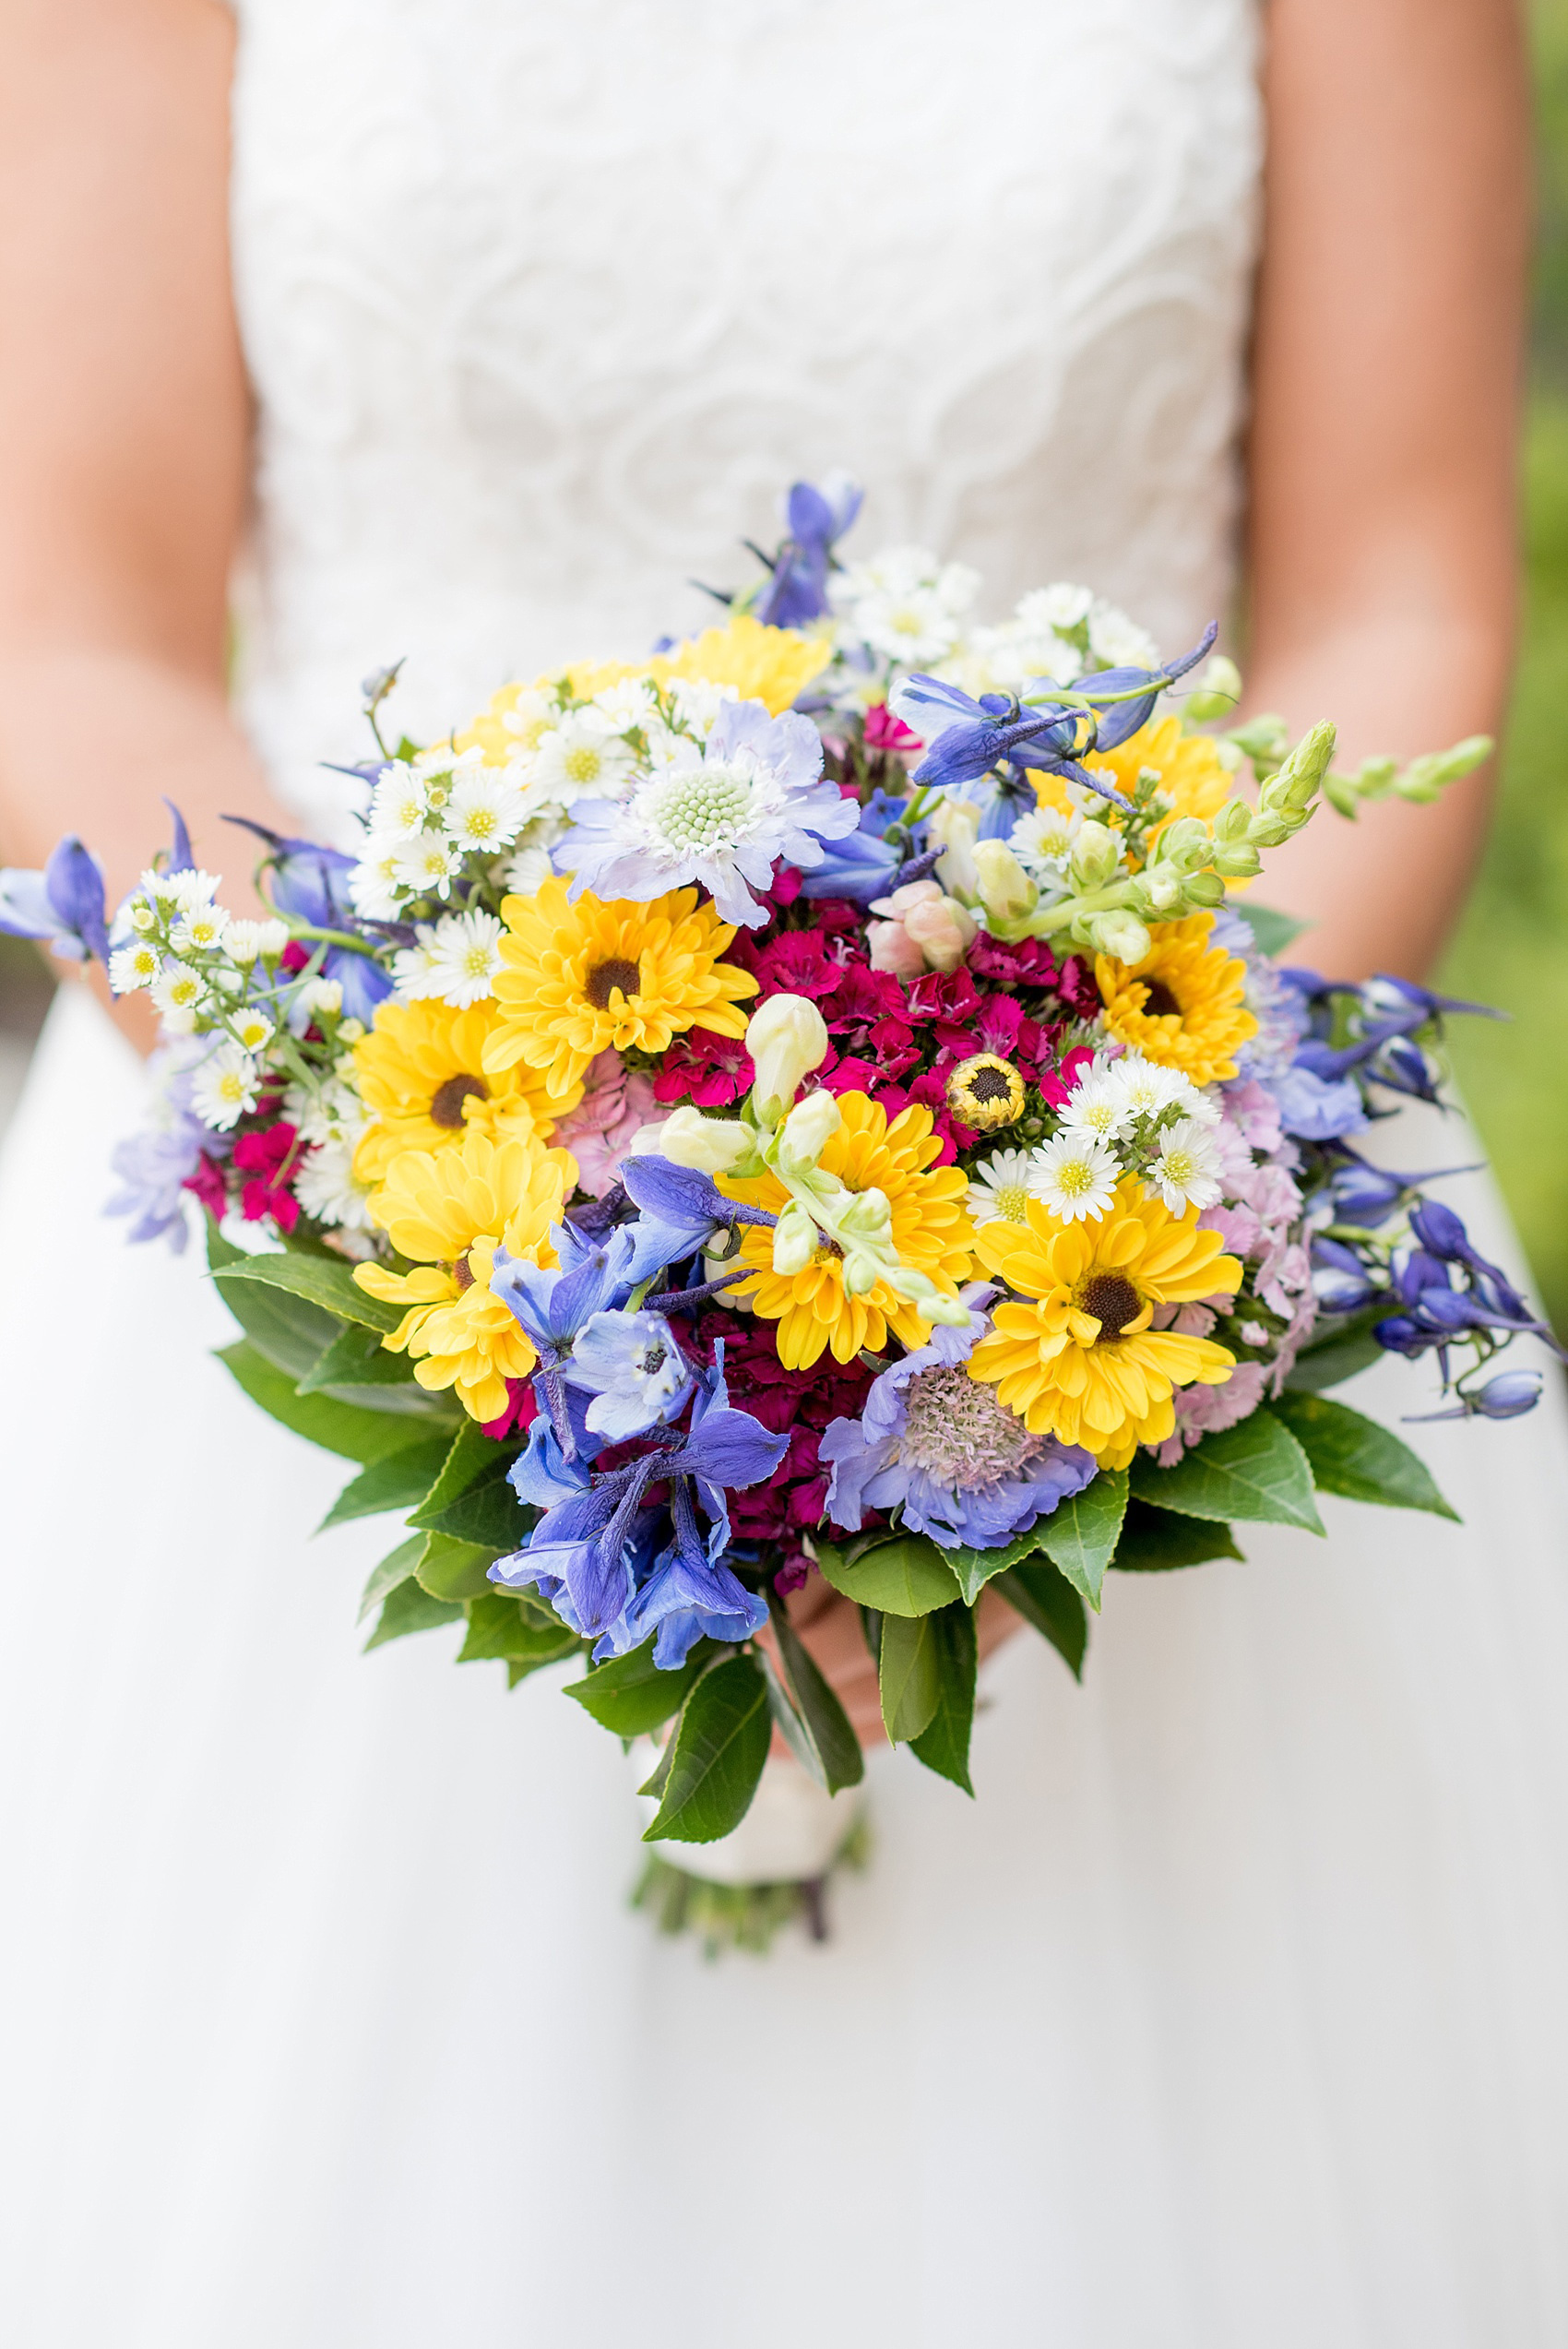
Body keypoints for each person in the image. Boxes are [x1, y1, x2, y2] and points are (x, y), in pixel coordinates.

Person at [2, 2, 1565, 2341]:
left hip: (1144, 1182)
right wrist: (473, 1240)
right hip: (375, 1204)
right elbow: (75, 631)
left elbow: (1390, 611)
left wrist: (1081, 1250)